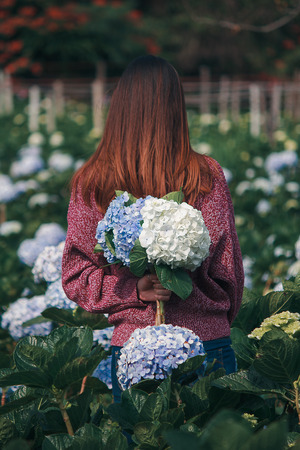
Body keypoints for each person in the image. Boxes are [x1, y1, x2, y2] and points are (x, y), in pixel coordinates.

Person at [61, 55, 244, 403]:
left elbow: (75, 275)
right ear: (176, 106)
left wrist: (133, 291)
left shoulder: (92, 181)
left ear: (119, 107)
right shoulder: (205, 176)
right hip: (206, 344)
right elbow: (228, 271)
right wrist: (210, 319)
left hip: (134, 351)